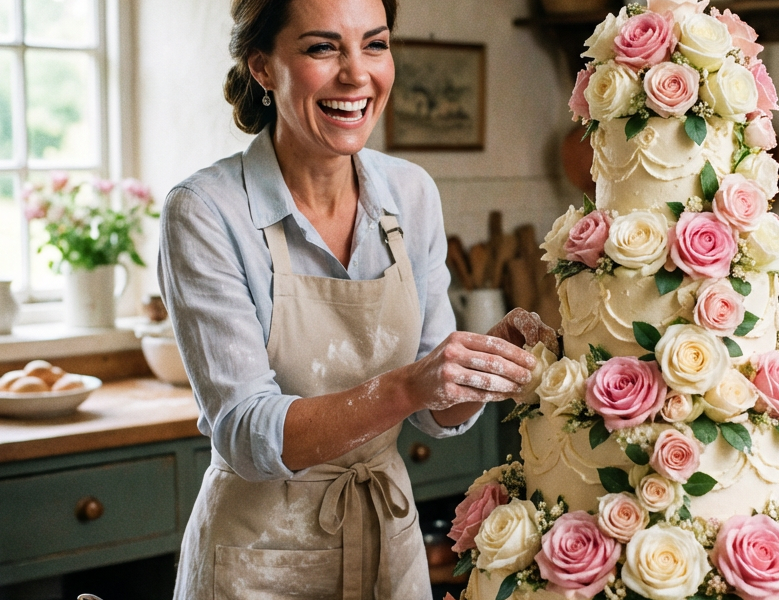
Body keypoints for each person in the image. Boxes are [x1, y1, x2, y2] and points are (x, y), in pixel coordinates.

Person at [157, 0, 556, 598]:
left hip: (387, 548)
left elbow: (435, 414)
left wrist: (474, 365)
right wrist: (410, 384)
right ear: (262, 66)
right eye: (322, 48)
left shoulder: (410, 193)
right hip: (256, 559)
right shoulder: (206, 210)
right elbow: (244, 429)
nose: (357, 75)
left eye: (375, 44)